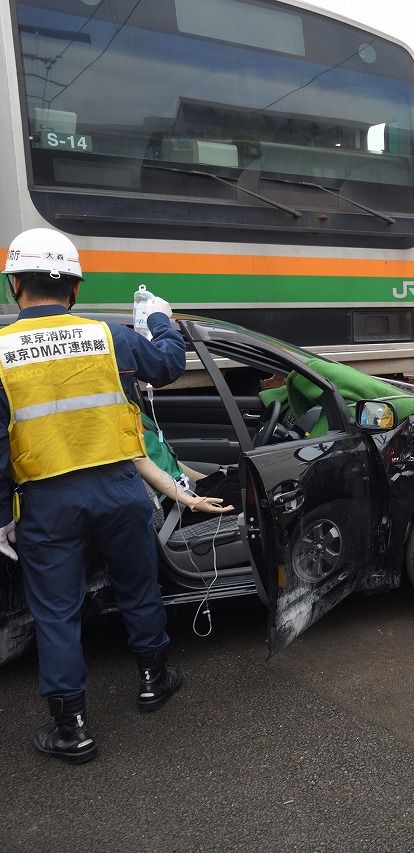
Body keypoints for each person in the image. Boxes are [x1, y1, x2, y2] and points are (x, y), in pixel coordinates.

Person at [0, 228, 187, 764]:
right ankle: (154, 679)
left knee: (57, 611)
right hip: (120, 490)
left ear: (16, 284)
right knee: (137, 583)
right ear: (75, 289)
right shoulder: (111, 336)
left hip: (45, 501)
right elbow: (168, 365)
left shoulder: (1, 351)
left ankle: (72, 728)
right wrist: (157, 320)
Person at [136, 413, 237, 523]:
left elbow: (169, 462)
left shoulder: (135, 412)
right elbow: (142, 463)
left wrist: (206, 479)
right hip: (170, 502)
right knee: (245, 500)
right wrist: (191, 502)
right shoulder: (120, 423)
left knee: (238, 482)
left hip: (184, 487)